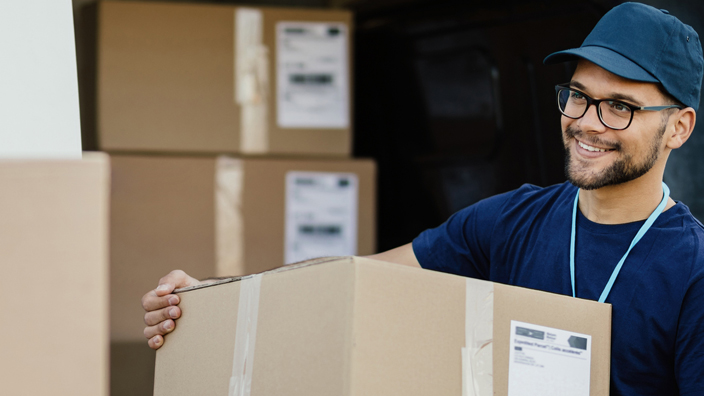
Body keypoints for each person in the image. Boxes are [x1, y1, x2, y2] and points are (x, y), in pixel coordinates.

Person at [142, 2, 704, 394]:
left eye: (620, 107)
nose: (586, 123)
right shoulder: (511, 220)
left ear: (678, 128)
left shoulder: (692, 269)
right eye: (578, 96)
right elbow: (354, 278)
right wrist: (214, 298)